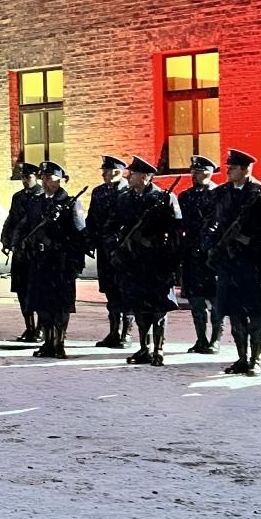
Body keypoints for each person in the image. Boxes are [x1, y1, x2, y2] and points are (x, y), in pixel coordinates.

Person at [205, 149, 261, 377]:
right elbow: (212, 223)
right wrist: (212, 247)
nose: (227, 170)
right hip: (229, 264)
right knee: (234, 313)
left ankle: (255, 359)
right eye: (228, 166)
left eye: (233, 167)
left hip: (254, 264)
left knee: (256, 316)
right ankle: (241, 358)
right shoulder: (220, 193)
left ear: (246, 169)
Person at [112, 157, 183, 366]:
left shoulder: (164, 198)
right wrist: (117, 247)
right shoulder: (124, 198)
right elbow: (114, 225)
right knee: (139, 306)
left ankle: (158, 349)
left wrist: (170, 261)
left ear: (145, 176)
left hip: (157, 263)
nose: (128, 177)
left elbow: (176, 233)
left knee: (158, 308)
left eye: (132, 174)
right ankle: (143, 347)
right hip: (134, 262)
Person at [14, 160, 87, 358]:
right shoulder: (36, 201)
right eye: (43, 178)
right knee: (42, 305)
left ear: (60, 180)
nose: (46, 182)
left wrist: (73, 262)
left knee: (60, 306)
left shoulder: (70, 203)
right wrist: (21, 244)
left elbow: (79, 236)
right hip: (39, 261)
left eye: (50, 178)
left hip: (61, 263)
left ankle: (59, 343)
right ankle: (47, 342)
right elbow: (24, 226)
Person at [177, 155, 222, 354]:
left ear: (209, 173)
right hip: (191, 255)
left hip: (210, 255)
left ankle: (215, 340)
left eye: (200, 171)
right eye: (193, 171)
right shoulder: (185, 196)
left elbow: (218, 223)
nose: (195, 175)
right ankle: (201, 339)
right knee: (196, 301)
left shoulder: (219, 194)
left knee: (215, 300)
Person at [86, 156, 129, 348]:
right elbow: (91, 220)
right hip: (104, 249)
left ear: (117, 172)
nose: (103, 173)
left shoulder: (128, 192)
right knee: (110, 291)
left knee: (125, 291)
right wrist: (89, 242)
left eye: (106, 170)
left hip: (123, 252)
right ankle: (114, 331)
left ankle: (126, 333)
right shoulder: (99, 192)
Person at [2, 162, 43, 342]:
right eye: (23, 177)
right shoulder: (18, 197)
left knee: (37, 289)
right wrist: (6, 239)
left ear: (36, 177)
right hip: (19, 250)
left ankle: (41, 328)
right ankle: (29, 327)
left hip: (34, 252)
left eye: (28, 177)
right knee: (21, 290)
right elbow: (11, 219)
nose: (25, 181)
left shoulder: (42, 196)